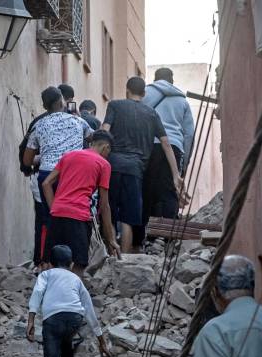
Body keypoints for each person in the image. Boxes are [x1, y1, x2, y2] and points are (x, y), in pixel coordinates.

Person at [27, 245, 110, 357]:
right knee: (67, 345)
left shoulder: (45, 275)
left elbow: (37, 294)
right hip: (74, 317)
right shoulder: (75, 279)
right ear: (71, 264)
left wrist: (31, 320)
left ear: (50, 264)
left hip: (53, 319)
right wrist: (101, 339)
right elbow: (88, 308)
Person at [101, 76, 185, 253]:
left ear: (127, 91)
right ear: (144, 94)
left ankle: (108, 255)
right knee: (128, 217)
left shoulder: (115, 105)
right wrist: (176, 175)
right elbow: (166, 144)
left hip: (113, 166)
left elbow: (104, 132)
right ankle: (123, 258)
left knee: (108, 210)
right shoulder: (152, 113)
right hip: (136, 169)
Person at [23, 86, 93, 266]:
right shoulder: (78, 122)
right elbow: (94, 139)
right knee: (76, 216)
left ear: (45, 106)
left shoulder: (39, 125)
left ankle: (46, 263)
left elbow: (27, 160)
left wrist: (43, 157)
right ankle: (77, 262)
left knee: (49, 220)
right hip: (74, 175)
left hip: (47, 175)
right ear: (62, 101)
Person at [40, 130, 120, 277]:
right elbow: (104, 205)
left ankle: (49, 293)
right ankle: (72, 294)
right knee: (79, 263)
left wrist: (54, 208)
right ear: (105, 147)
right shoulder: (103, 164)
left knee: (51, 261)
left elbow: (46, 183)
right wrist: (111, 239)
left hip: (57, 214)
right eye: (109, 152)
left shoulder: (69, 156)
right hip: (79, 217)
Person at [135, 67, 196, 247]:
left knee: (147, 190)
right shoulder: (182, 101)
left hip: (148, 146)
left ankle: (145, 236)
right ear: (172, 80)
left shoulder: (145, 94)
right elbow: (189, 134)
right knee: (169, 191)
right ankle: (168, 238)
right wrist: (185, 160)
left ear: (155, 79)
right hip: (174, 147)